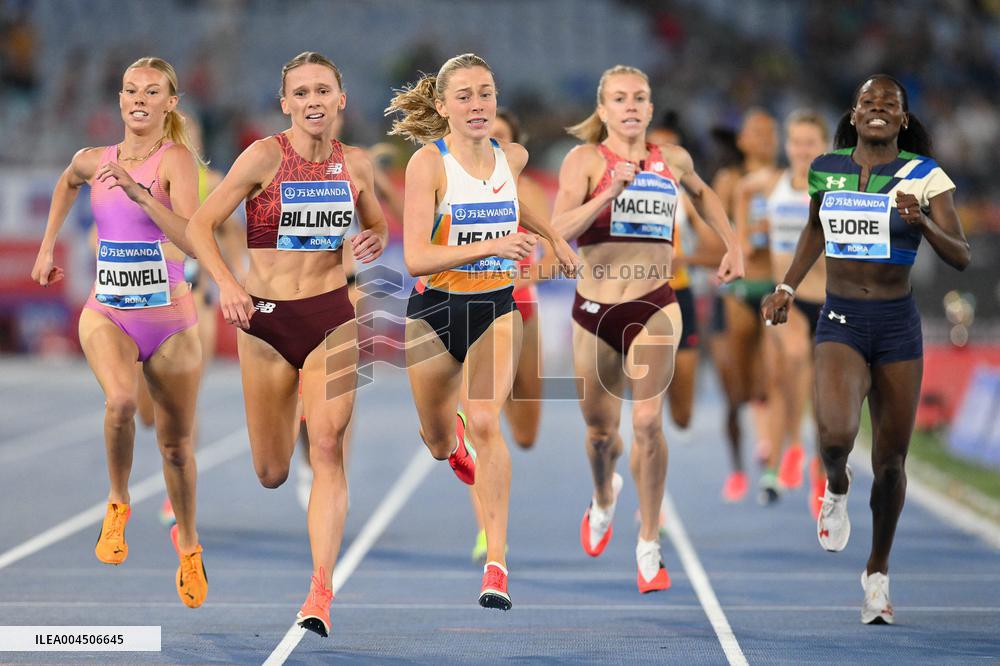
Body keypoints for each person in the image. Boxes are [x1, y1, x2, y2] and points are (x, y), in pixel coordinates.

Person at [186, 51, 388, 639]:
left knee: (329, 446)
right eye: (301, 93)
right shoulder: (263, 157)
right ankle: (300, 424)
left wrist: (373, 241)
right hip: (266, 321)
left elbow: (376, 224)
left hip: (331, 315)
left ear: (341, 99)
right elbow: (200, 225)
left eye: (322, 90)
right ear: (285, 104)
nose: (313, 101)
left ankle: (320, 591)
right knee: (271, 472)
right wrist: (228, 285)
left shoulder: (356, 164)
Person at [762, 74, 969, 624]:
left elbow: (961, 255)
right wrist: (786, 287)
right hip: (841, 320)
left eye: (889, 104)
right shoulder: (825, 169)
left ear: (903, 119)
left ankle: (877, 574)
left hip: (897, 328)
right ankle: (836, 485)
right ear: (854, 115)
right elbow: (814, 230)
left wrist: (922, 222)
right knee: (834, 437)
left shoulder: (925, 176)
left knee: (891, 464)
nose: (878, 109)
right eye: (868, 102)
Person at [386, 53, 579, 610]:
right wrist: (496, 243)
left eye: (486, 93)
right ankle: (451, 443)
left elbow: (518, 205)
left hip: (495, 305)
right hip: (435, 311)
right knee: (437, 441)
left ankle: (496, 563)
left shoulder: (511, 156)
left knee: (489, 421)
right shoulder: (428, 165)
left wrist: (555, 239)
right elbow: (417, 257)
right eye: (465, 95)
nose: (477, 104)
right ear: (443, 105)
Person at [552, 65, 742, 593]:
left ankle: (649, 543)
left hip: (657, 305)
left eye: (639, 97)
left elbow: (703, 195)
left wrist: (733, 244)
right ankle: (603, 497)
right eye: (619, 98)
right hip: (595, 311)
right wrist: (607, 195)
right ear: (603, 109)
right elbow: (556, 229)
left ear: (651, 108)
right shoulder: (585, 161)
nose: (631, 106)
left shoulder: (671, 160)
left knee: (647, 423)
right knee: (600, 434)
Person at [30, 56, 208, 608]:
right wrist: (46, 247)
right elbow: (67, 182)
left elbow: (193, 237)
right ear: (120, 98)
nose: (139, 100)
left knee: (175, 447)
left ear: (169, 103)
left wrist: (141, 194)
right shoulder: (94, 159)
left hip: (171, 319)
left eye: (152, 92)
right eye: (131, 90)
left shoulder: (176, 160)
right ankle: (117, 502)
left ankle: (190, 546)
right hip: (108, 311)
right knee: (121, 403)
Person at [467, 108, 557, 562]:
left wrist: (523, 276)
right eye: (488, 135)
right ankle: (488, 531)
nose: (493, 143)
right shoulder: (461, 185)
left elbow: (555, 258)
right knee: (482, 425)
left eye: (501, 137)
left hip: (521, 307)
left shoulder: (530, 192)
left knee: (524, 433)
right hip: (474, 309)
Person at [735, 110, 829, 507]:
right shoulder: (771, 182)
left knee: (824, 397)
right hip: (785, 299)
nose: (803, 150)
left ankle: (820, 477)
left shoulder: (833, 187)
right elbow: (741, 191)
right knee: (787, 366)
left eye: (810, 143)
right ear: (787, 146)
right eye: (796, 142)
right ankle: (784, 456)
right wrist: (742, 239)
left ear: (824, 147)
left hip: (827, 299)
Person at [710, 110, 779, 502]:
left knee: (768, 380)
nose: (765, 138)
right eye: (757, 131)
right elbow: (711, 229)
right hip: (736, 290)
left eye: (771, 131)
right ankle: (736, 468)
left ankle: (769, 463)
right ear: (742, 141)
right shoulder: (729, 180)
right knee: (735, 391)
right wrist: (740, 237)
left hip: (772, 285)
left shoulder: (786, 179)